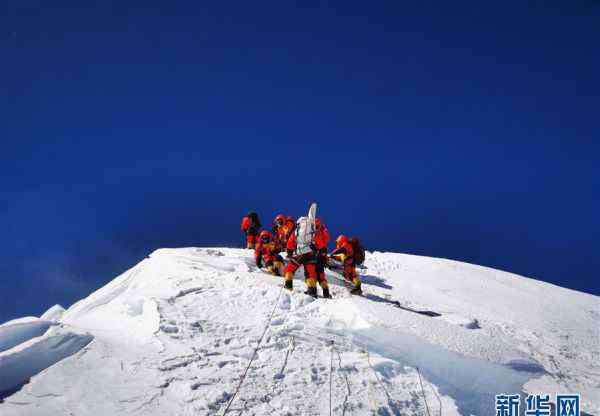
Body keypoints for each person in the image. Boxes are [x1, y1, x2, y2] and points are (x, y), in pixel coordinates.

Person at [284, 217, 331, 298]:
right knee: (310, 273)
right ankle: (312, 290)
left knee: (290, 269)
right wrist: (322, 250)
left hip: (299, 253)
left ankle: (288, 285)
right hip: (311, 255)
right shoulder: (313, 232)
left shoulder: (297, 231)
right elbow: (320, 243)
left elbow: (290, 243)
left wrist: (289, 252)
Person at [312, 218, 331, 298]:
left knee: (312, 273)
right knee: (321, 275)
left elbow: (316, 244)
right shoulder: (323, 231)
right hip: (322, 256)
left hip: (316, 255)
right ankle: (326, 292)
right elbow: (327, 239)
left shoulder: (316, 232)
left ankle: (312, 291)